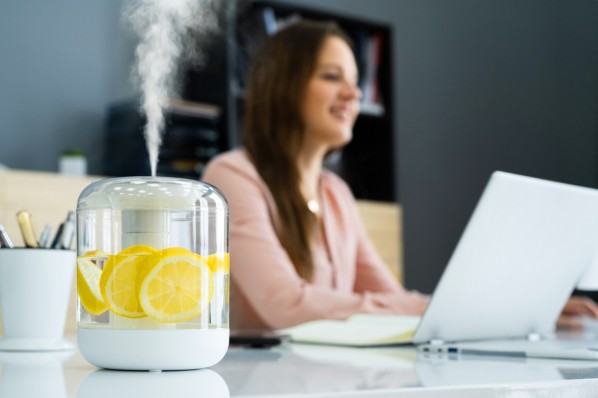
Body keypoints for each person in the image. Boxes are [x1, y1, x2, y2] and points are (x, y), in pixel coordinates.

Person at [202, 19, 598, 331]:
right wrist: (426, 307)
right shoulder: (232, 176)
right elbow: (283, 304)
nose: (353, 94)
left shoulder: (335, 193)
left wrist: (517, 308)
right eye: (331, 76)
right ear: (282, 85)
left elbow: (389, 296)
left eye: (356, 82)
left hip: (322, 375)